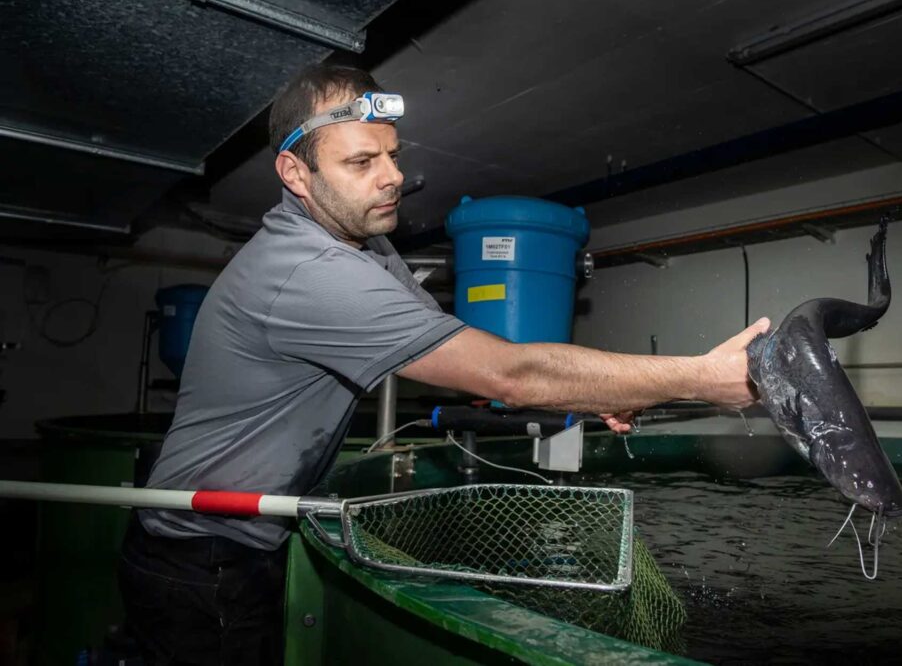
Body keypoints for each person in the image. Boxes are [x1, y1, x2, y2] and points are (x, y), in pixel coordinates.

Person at [118, 62, 770, 665]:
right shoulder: (309, 272)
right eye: (362, 161)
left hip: (246, 540)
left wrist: (589, 392)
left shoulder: (367, 244)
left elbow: (459, 344)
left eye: (394, 156)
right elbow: (508, 374)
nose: (393, 176)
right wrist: (699, 378)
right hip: (198, 557)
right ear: (295, 174)